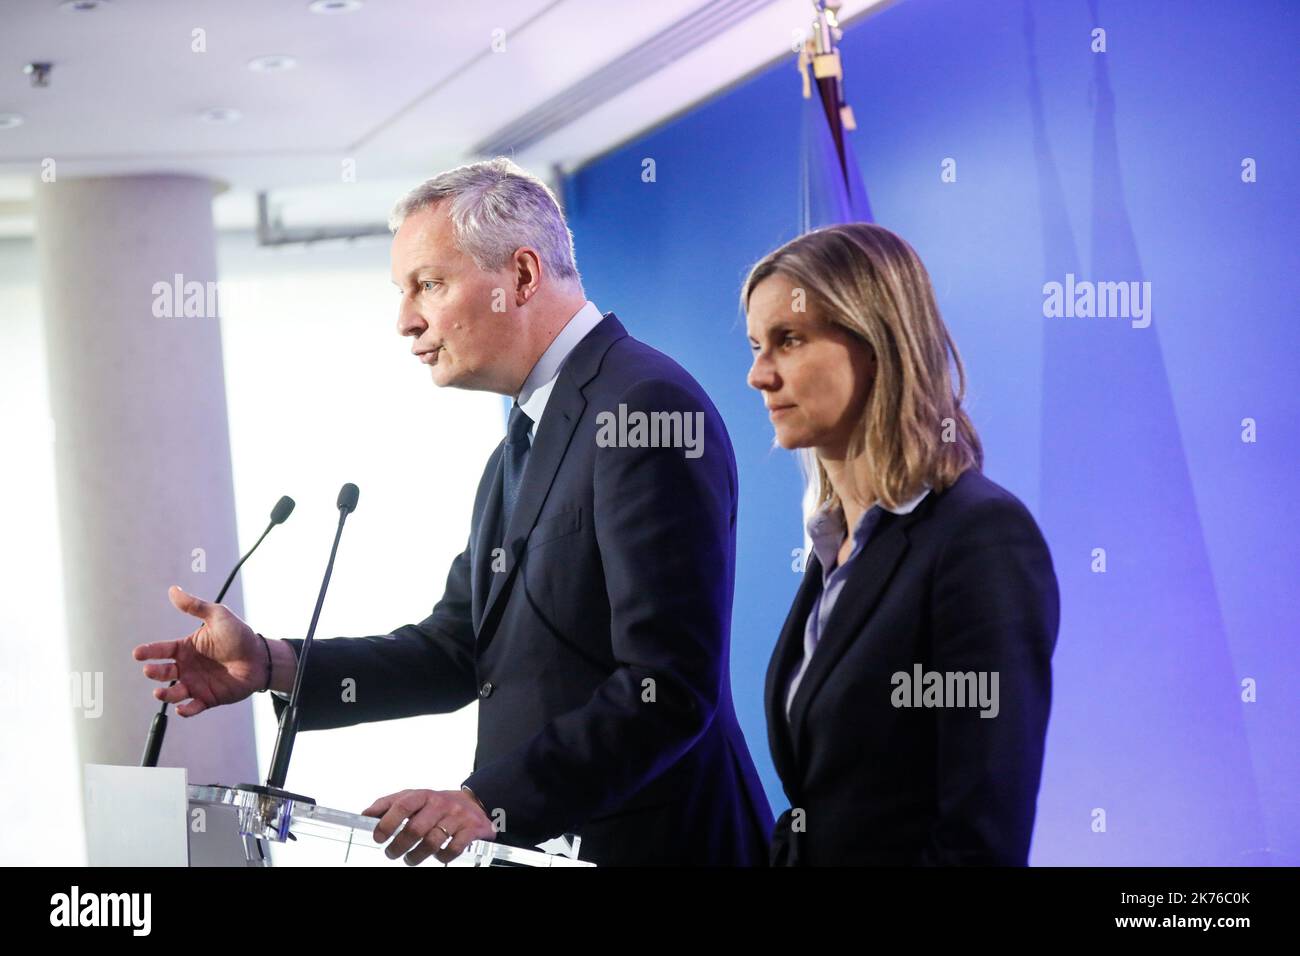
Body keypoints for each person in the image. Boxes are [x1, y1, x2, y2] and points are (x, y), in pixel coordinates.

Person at [135, 157, 772, 866]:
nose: (406, 321)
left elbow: (668, 685)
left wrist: (485, 801)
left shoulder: (642, 408)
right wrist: (274, 663)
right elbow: (457, 649)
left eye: (428, 285)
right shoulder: (520, 446)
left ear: (523, 278)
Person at [742, 222, 1059, 865]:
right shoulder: (835, 551)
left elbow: (980, 837)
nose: (758, 376)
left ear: (876, 343)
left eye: (789, 341)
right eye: (755, 346)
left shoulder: (980, 538)